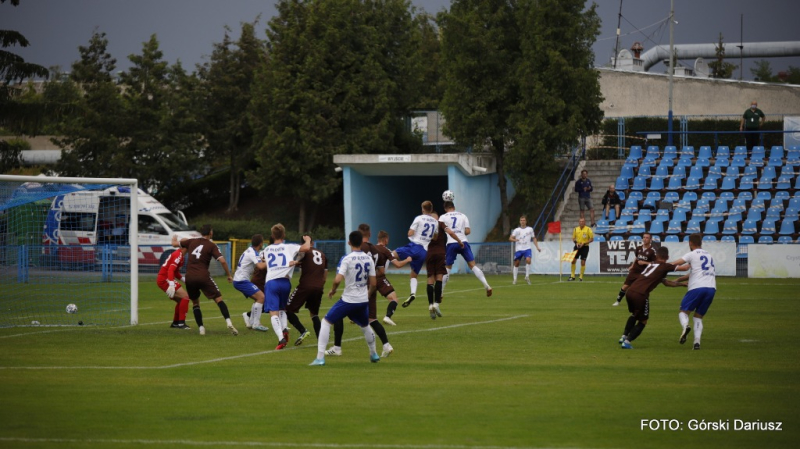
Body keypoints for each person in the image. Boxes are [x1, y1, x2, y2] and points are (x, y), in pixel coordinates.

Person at [310, 230, 380, 366]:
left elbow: (337, 279)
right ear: (361, 242)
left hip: (349, 299)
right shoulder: (368, 258)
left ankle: (319, 358)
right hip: (362, 300)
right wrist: (367, 294)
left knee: (326, 322)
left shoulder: (347, 258)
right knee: (365, 326)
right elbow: (374, 284)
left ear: (349, 243)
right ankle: (374, 354)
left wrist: (333, 290)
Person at [326, 224, 393, 357]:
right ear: (370, 234)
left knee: (338, 314)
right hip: (370, 288)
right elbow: (381, 270)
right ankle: (386, 345)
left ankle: (337, 347)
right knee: (372, 319)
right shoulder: (375, 250)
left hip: (357, 289)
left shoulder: (359, 249)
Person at [618, 246, 686, 349]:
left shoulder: (652, 264)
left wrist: (682, 284)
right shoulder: (665, 266)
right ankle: (628, 341)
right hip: (641, 295)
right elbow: (685, 268)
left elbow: (666, 283)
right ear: (667, 256)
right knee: (643, 321)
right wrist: (693, 260)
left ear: (656, 256)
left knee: (634, 314)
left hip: (630, 291)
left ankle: (624, 336)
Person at [177, 225, 237, 336]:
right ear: (210, 233)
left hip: (189, 277)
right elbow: (223, 261)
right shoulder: (211, 245)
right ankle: (228, 322)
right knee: (218, 299)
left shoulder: (192, 242)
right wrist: (229, 275)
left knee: (195, 303)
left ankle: (201, 329)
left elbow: (180, 242)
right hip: (203, 276)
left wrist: (177, 239)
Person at [262, 224, 312, 350]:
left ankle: (281, 338)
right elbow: (306, 248)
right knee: (283, 309)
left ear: (272, 236)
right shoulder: (289, 247)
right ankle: (284, 329)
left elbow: (264, 261)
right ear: (284, 235)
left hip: (272, 282)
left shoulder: (267, 250)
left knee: (273, 312)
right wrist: (308, 240)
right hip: (285, 282)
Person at [667, 233, 717, 350]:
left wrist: (660, 266)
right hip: (711, 288)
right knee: (698, 317)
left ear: (690, 243)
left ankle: (685, 326)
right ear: (701, 243)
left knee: (683, 312)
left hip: (697, 287)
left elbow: (676, 263)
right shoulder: (709, 255)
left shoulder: (692, 254)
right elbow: (697, 271)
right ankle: (696, 343)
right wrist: (679, 279)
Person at [439, 200, 492, 298]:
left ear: (446, 209)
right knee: (472, 265)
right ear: (453, 207)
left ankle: (441, 292)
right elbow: (468, 231)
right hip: (463, 242)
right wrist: (460, 232)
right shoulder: (463, 215)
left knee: (447, 267)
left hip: (451, 243)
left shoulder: (443, 217)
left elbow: (440, 231)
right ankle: (487, 285)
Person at [285, 233, 327, 346]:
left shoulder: (304, 251)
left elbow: (300, 258)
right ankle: (320, 341)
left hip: (306, 286)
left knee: (287, 310)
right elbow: (324, 274)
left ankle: (303, 331)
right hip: (319, 287)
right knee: (314, 314)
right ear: (313, 243)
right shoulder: (322, 254)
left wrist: (295, 262)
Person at [395, 200, 439, 307]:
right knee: (414, 274)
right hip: (424, 251)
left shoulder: (419, 218)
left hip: (415, 246)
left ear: (423, 209)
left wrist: (412, 236)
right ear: (431, 209)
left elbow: (410, 232)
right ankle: (413, 294)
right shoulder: (435, 222)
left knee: (392, 254)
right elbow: (436, 237)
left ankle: (378, 272)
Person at [425, 212, 464, 319]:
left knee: (430, 279)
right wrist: (459, 241)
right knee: (439, 278)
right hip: (440, 254)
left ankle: (430, 305)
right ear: (437, 218)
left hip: (429, 254)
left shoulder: (425, 226)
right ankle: (437, 304)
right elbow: (450, 232)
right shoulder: (441, 224)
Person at [374, 230, 412, 326]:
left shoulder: (371, 249)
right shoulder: (386, 250)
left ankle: (355, 317)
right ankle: (387, 317)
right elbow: (398, 265)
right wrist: (407, 260)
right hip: (379, 278)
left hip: (368, 278)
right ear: (385, 239)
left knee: (364, 299)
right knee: (394, 299)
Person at [233, 234, 269, 331]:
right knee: (261, 297)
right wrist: (271, 261)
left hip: (240, 280)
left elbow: (260, 260)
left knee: (259, 298)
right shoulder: (253, 253)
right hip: (241, 281)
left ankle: (253, 321)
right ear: (261, 244)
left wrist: (266, 260)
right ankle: (256, 324)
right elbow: (261, 266)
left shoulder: (251, 251)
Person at [612, 232, 657, 306]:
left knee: (639, 289)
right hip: (635, 271)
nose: (645, 239)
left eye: (647, 238)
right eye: (644, 237)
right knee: (625, 286)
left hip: (643, 272)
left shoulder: (652, 251)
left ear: (650, 240)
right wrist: (632, 266)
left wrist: (645, 263)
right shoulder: (638, 248)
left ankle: (640, 303)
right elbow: (636, 258)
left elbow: (655, 264)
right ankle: (618, 301)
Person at [156, 246, 192, 329]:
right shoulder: (178, 255)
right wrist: (171, 284)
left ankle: (176, 323)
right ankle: (181, 323)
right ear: (185, 247)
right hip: (165, 279)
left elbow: (175, 271)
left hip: (165, 278)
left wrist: (183, 280)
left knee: (181, 300)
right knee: (185, 297)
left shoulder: (180, 255)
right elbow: (170, 270)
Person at [509, 214, 541, 285]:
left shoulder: (530, 229)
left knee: (528, 260)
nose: (522, 222)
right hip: (519, 249)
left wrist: (537, 247)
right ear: (519, 222)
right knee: (517, 263)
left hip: (527, 248)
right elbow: (510, 238)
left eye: (524, 220)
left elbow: (534, 238)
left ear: (526, 221)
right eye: (521, 220)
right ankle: (515, 279)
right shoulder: (517, 230)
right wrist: (515, 240)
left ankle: (527, 276)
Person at [569, 217, 594, 281]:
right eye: (580, 221)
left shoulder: (588, 229)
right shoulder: (575, 229)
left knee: (583, 262)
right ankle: (572, 276)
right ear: (579, 222)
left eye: (582, 221)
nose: (581, 222)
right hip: (577, 246)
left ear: (584, 222)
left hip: (585, 247)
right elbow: (573, 238)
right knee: (573, 260)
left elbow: (591, 239)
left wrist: (584, 243)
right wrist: (576, 243)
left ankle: (581, 277)